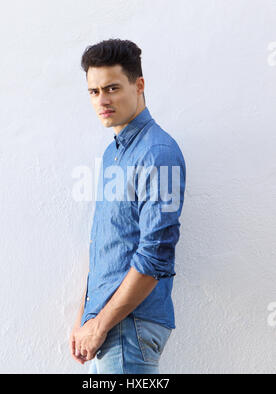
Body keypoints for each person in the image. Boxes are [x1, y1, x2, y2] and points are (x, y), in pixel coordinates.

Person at [69, 39, 186, 374]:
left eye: (112, 88)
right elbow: (110, 245)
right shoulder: (113, 153)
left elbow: (157, 254)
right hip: (108, 328)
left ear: (140, 85)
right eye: (93, 92)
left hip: (127, 327)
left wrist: (101, 323)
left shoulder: (158, 153)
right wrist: (86, 319)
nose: (102, 100)